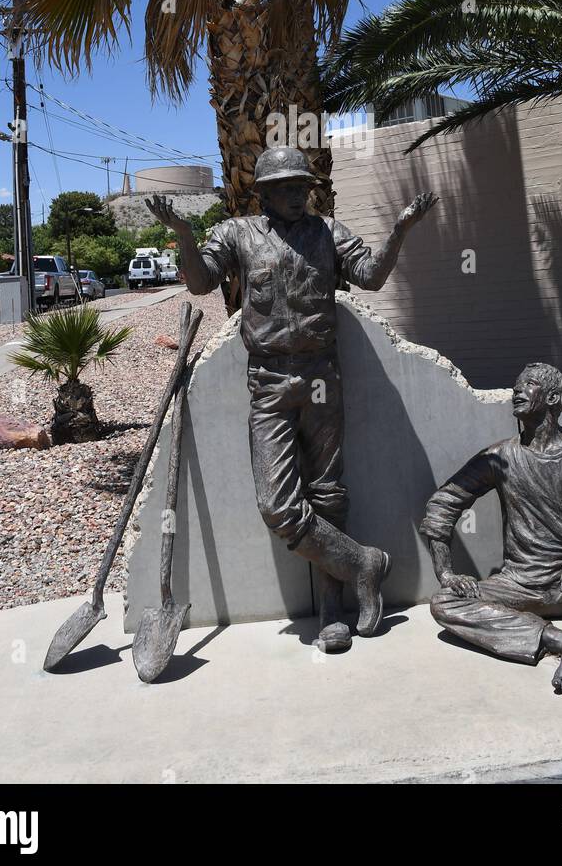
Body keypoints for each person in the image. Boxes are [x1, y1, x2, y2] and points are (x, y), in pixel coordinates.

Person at [147, 145, 438, 653]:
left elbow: (369, 275)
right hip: (268, 381)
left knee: (329, 493)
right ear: (262, 194)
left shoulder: (327, 232)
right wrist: (184, 236)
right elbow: (198, 282)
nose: (298, 195)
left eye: (303, 186)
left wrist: (401, 230)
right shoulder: (237, 233)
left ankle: (333, 612)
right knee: (277, 505)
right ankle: (363, 564)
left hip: (322, 375)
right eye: (284, 188)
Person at [420, 362, 562, 694]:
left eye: (528, 385)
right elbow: (444, 503)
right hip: (520, 586)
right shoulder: (499, 457)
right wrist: (446, 573)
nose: (517, 391)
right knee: (443, 603)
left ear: (554, 397)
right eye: (515, 386)